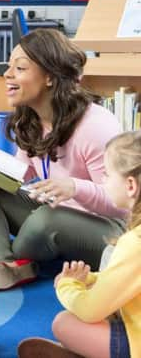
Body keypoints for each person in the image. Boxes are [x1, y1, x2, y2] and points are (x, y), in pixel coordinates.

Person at [0, 28, 127, 290]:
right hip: (55, 210)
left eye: (20, 68)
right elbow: (23, 174)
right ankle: (4, 265)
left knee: (44, 222)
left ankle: (14, 253)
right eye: (10, 66)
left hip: (108, 230)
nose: (7, 74)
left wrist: (74, 187)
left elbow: (122, 205)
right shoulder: (32, 118)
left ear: (49, 77)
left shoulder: (96, 125)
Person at [18, 131, 141, 358]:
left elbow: (89, 310)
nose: (103, 181)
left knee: (64, 323)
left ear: (130, 185)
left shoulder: (134, 243)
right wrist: (91, 279)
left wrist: (68, 285)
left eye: (107, 174)